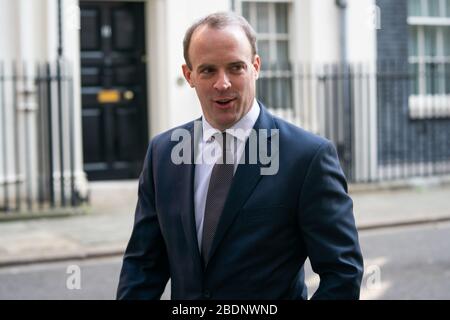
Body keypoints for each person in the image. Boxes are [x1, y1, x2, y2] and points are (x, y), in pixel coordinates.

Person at [117, 11, 363, 300]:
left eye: (236, 67)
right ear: (189, 75)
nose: (223, 83)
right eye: (208, 70)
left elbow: (342, 273)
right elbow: (143, 266)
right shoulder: (162, 154)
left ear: (255, 66)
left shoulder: (308, 158)